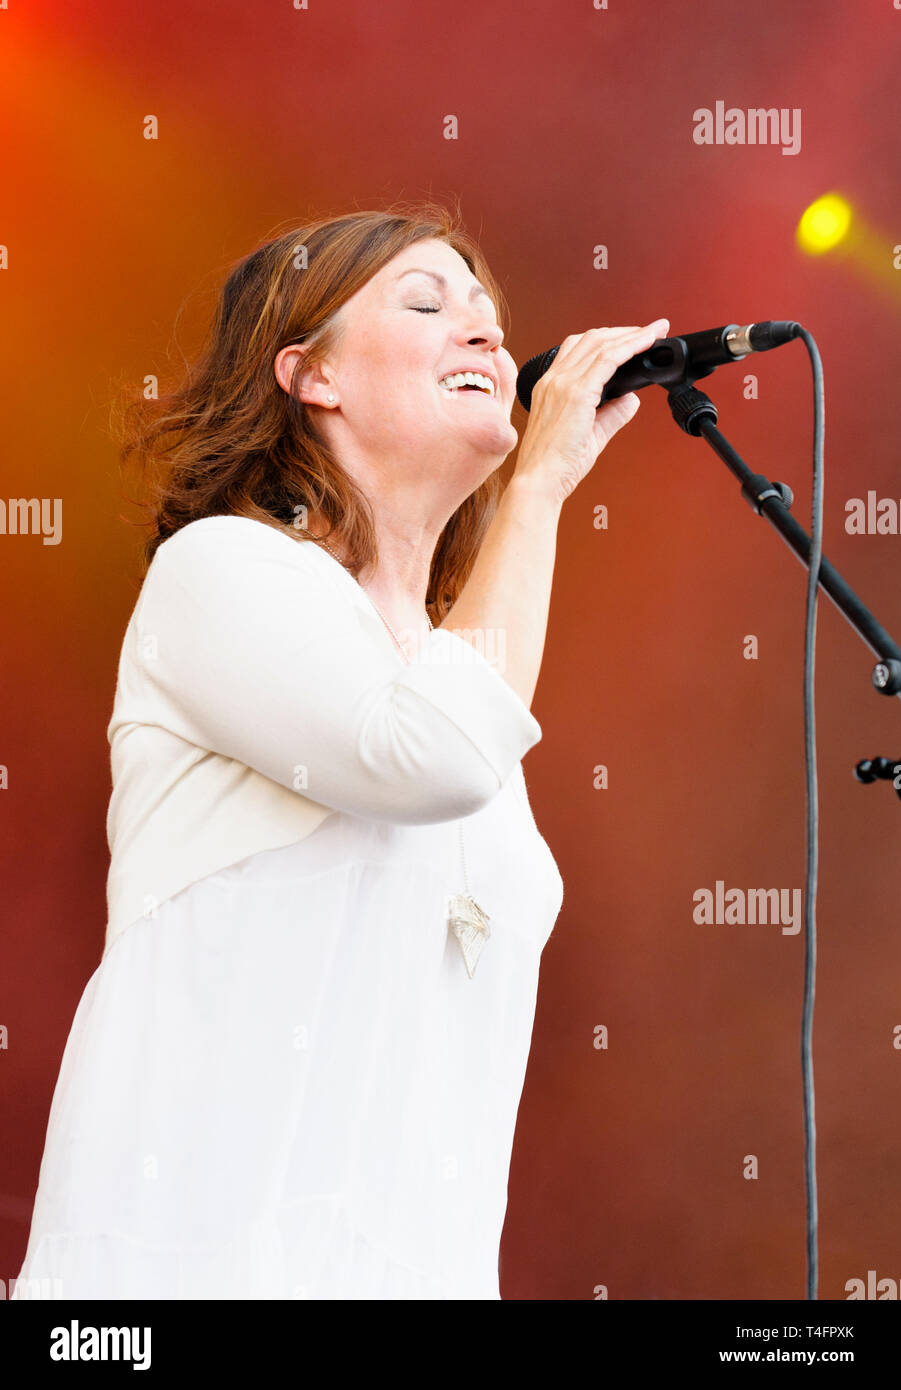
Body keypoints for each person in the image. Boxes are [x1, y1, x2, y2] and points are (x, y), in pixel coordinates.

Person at [13, 205, 669, 1300]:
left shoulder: (449, 665)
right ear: (310, 376)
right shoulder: (222, 572)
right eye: (427, 302)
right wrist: (542, 483)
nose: (483, 334)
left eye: (490, 317)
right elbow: (429, 755)